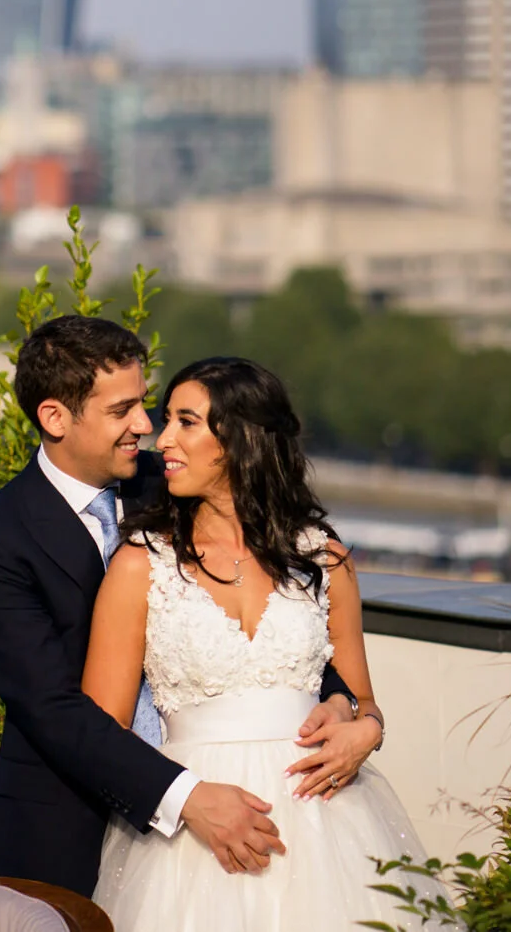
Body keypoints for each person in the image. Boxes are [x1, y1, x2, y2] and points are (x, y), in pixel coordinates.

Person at [0, 316, 361, 897]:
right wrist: (188, 797)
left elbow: (278, 606)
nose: (146, 428)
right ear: (55, 417)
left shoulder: (177, 479)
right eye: (122, 411)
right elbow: (51, 708)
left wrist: (351, 707)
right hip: (68, 819)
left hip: (246, 806)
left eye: (145, 405)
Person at [84, 356, 447, 930]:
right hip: (193, 834)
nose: (163, 437)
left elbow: (360, 699)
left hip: (328, 820)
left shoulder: (323, 557)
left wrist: (365, 732)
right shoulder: (140, 565)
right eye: (166, 419)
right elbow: (98, 731)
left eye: (186, 421)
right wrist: (188, 802)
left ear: (241, 439)